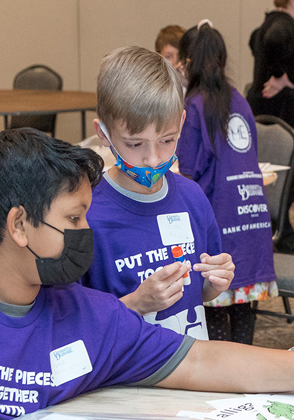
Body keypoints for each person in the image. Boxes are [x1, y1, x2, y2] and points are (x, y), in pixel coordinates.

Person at [0, 127, 294, 418]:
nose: (88, 231)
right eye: (73, 219)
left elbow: (203, 361)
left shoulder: (91, 317)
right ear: (19, 224)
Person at [80, 46, 234, 341]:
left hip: (189, 366)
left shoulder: (192, 198)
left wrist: (214, 284)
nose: (153, 159)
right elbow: (71, 323)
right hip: (126, 378)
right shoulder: (86, 213)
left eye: (167, 140)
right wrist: (136, 304)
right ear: (104, 135)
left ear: (182, 123)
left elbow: (198, 292)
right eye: (135, 144)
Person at [177, 21, 277, 344]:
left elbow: (186, 174)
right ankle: (246, 386)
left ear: (186, 63)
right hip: (253, 223)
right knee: (244, 329)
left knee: (217, 329)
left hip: (219, 224)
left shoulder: (193, 106)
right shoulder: (240, 101)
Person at [247, 0, 294, 255]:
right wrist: (281, 76)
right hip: (285, 115)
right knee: (285, 179)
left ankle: (283, 234)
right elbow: (273, 42)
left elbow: (255, 39)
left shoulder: (271, 22)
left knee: (279, 180)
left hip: (278, 112)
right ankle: (282, 238)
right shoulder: (282, 26)